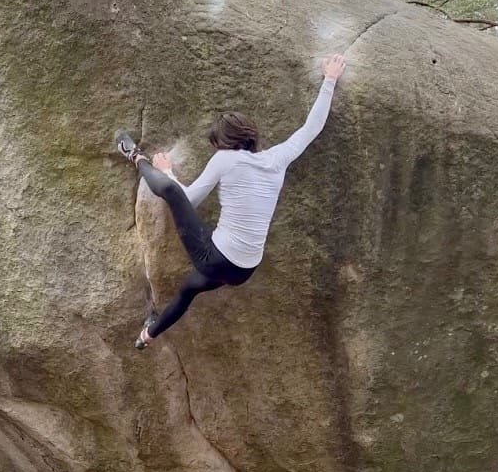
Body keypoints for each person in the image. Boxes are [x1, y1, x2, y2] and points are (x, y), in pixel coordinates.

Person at [116, 52, 346, 349]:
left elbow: (188, 200)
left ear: (224, 143)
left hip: (217, 259)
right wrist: (330, 79)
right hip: (244, 270)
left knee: (171, 193)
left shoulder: (225, 159)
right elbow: (310, 129)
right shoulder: (277, 159)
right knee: (188, 289)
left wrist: (168, 172)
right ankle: (146, 336)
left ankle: (135, 157)